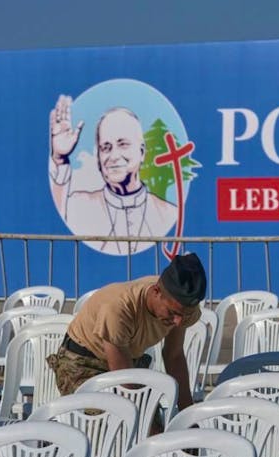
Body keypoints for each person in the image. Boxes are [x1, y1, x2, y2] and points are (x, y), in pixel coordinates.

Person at [46, 252, 206, 409]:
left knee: (152, 424)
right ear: (156, 292)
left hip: (127, 358)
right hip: (82, 362)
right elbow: (124, 381)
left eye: (184, 316)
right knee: (111, 421)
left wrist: (187, 413)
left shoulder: (182, 308)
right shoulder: (118, 309)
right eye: (172, 313)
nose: (178, 322)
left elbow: (174, 355)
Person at [48, 96, 177, 255]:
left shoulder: (167, 212)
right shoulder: (77, 206)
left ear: (142, 152)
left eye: (123, 144)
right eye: (106, 148)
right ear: (98, 159)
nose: (114, 156)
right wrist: (60, 159)